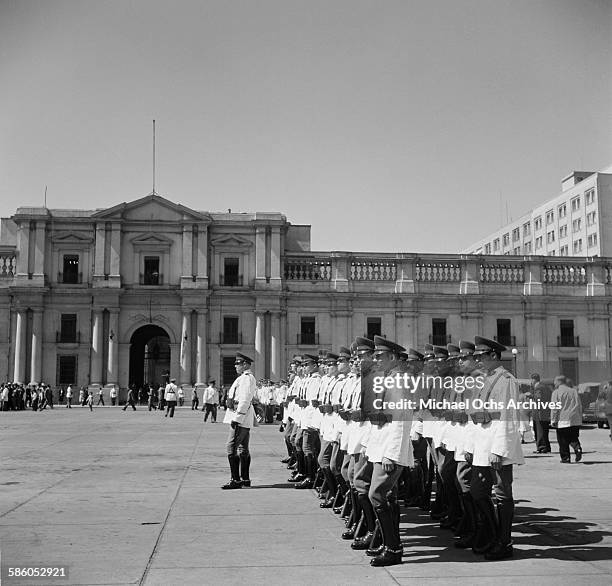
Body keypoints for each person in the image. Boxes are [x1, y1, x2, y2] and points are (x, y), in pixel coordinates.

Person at [465, 336, 524, 561]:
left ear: (493, 356)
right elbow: (475, 416)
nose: (478, 360)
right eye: (476, 356)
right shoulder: (484, 380)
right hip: (482, 442)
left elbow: (508, 416)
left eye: (481, 356)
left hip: (497, 445)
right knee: (477, 491)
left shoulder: (506, 380)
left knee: (502, 493)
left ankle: (504, 541)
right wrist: (470, 446)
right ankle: (490, 534)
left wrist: (499, 449)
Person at [222, 353, 256, 489]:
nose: (235, 366)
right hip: (240, 416)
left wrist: (237, 418)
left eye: (238, 363)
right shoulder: (243, 378)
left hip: (240, 418)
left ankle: (236, 479)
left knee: (231, 447)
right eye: (235, 363)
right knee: (243, 448)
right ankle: (245, 478)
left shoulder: (247, 379)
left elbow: (245, 399)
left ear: (246, 364)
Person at [550, 375, 583, 463]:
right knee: (573, 437)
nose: (554, 383)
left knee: (563, 440)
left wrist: (553, 420)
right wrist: (580, 417)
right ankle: (577, 448)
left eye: (555, 381)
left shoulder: (556, 392)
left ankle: (566, 458)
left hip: (563, 419)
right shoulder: (574, 391)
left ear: (559, 382)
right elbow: (579, 405)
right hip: (575, 418)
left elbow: (555, 408)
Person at [531, 374, 552, 453]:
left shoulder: (538, 387)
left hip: (539, 412)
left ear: (534, 380)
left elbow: (538, 398)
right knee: (545, 430)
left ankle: (541, 447)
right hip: (545, 411)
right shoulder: (546, 387)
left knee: (539, 430)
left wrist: (531, 396)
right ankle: (547, 447)